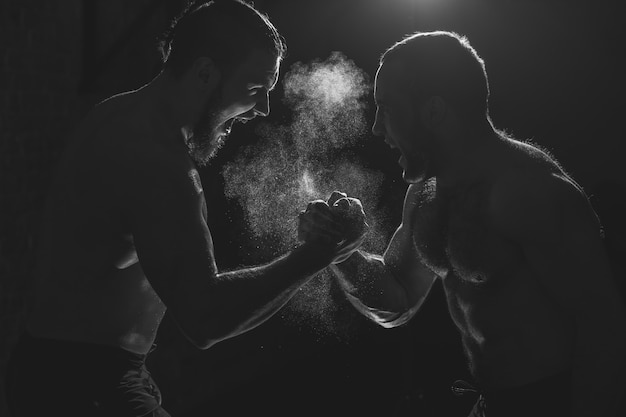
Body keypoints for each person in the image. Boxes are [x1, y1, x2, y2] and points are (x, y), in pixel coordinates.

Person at [4, 1, 361, 416]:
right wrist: (317, 255)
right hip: (79, 386)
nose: (262, 108)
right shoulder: (156, 162)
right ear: (205, 73)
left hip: (75, 370)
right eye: (255, 88)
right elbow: (204, 318)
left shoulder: (117, 114)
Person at [299, 31, 626, 417]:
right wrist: (342, 250)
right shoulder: (425, 193)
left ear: (434, 111)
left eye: (386, 109)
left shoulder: (528, 193)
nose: (376, 128)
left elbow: (606, 331)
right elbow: (397, 300)